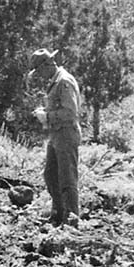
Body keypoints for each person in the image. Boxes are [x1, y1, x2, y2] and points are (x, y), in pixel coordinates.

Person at [28, 48, 82, 227]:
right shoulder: (55, 80)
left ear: (47, 65)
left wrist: (47, 117)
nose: (40, 76)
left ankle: (71, 222)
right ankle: (58, 214)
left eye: (40, 70)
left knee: (67, 180)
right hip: (56, 135)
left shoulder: (63, 81)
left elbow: (70, 112)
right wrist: (45, 113)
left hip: (66, 134)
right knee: (51, 176)